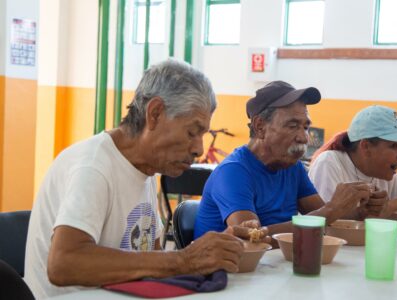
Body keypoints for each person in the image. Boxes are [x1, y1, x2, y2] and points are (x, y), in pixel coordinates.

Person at [24, 60, 260, 299]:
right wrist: (183, 259)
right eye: (191, 132)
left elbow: (152, 259)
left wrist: (213, 250)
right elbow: (64, 263)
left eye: (202, 135)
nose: (199, 148)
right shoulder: (93, 167)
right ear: (155, 113)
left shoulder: (145, 168)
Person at [194, 81, 374, 240]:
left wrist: (359, 212)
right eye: (293, 126)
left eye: (305, 127)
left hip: (272, 269)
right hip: (228, 276)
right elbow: (251, 239)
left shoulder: (292, 167)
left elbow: (322, 216)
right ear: (260, 127)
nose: (304, 138)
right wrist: (331, 210)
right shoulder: (233, 172)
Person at [308, 105, 397, 221]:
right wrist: (394, 205)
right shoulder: (329, 163)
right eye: (394, 146)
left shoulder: (383, 174)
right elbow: (330, 224)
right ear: (366, 146)